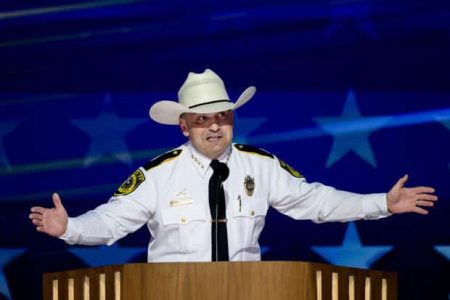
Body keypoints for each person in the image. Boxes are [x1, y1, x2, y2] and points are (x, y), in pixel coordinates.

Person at [29, 69, 438, 262]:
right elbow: (113, 220)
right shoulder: (158, 174)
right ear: (184, 126)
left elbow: (315, 202)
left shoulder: (260, 165)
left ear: (233, 119)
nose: (214, 127)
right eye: (202, 119)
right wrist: (70, 228)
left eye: (222, 116)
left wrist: (382, 202)